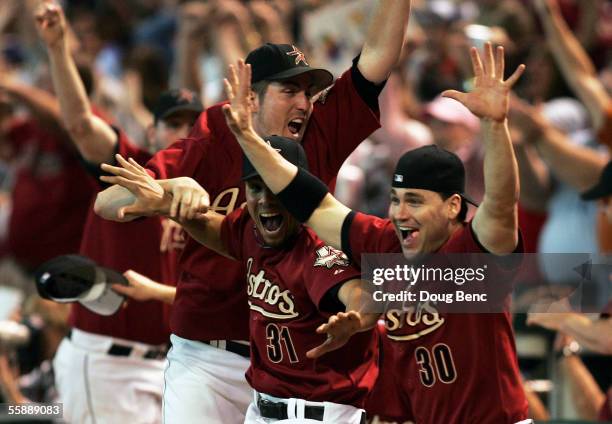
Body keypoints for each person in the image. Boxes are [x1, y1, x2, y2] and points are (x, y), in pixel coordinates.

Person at [94, 1, 412, 422]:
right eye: (289, 90)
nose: (304, 103)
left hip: (287, 366)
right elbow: (107, 201)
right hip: (207, 355)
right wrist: (171, 189)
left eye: (307, 91)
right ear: (250, 97)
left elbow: (377, 59)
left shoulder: (317, 135)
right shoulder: (213, 136)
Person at [223, 42, 529, 424]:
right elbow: (315, 205)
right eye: (395, 199)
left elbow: (501, 203)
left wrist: (495, 126)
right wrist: (249, 138)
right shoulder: (385, 243)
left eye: (415, 201)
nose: (400, 213)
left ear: (453, 206)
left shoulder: (476, 254)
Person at [102, 136, 380, 423]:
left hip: (317, 415)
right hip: (263, 408)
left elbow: (360, 294)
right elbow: (218, 231)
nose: (265, 199)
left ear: (299, 193)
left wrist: (356, 319)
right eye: (256, 187)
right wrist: (166, 203)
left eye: (275, 187)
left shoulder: (317, 248)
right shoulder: (250, 228)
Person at [35, 3, 202, 423]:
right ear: (153, 130)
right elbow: (80, 125)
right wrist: (58, 51)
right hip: (110, 362)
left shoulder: (212, 191)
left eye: (192, 124)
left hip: (173, 364)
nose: (182, 133)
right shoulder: (132, 164)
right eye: (173, 124)